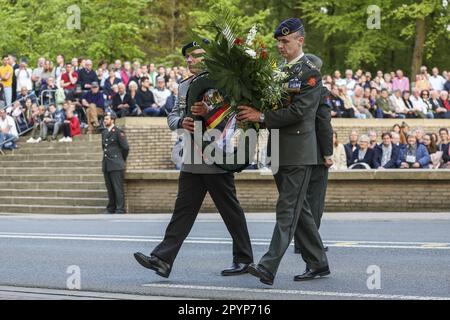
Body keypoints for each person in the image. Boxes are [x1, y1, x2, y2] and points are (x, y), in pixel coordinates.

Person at [133, 40, 254, 279]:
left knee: (230, 210)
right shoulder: (185, 85)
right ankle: (162, 259)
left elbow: (230, 116)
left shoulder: (224, 82)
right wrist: (180, 122)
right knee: (183, 211)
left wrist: (207, 113)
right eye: (187, 57)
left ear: (208, 57)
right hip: (191, 153)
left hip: (215, 153)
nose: (189, 60)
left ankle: (244, 259)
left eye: (194, 56)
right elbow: (174, 115)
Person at [238, 18, 329, 285]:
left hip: (299, 151)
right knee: (299, 211)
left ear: (300, 40)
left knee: (287, 210)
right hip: (278, 149)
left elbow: (301, 111)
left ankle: (268, 266)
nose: (280, 46)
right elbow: (270, 103)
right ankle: (318, 262)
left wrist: (261, 115)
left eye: (285, 41)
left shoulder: (309, 71)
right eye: (278, 41)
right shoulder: (277, 69)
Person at [293, 53, 333, 255]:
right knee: (314, 200)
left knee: (300, 200)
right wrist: (327, 153)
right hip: (315, 152)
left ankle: (301, 241)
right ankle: (310, 244)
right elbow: (324, 123)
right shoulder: (320, 90)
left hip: (295, 151)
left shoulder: (292, 89)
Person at [101, 111, 129, 214]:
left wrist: (121, 160)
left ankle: (120, 208)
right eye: (104, 119)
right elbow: (104, 147)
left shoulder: (118, 132)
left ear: (112, 120)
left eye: (107, 119)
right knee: (110, 188)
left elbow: (125, 148)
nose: (105, 121)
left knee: (117, 188)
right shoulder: (104, 132)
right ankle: (111, 207)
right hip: (107, 164)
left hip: (116, 163)